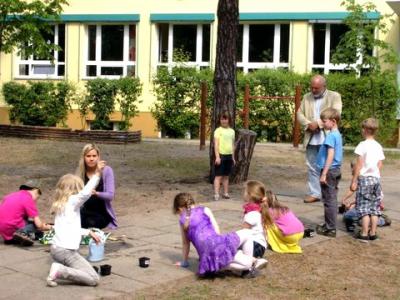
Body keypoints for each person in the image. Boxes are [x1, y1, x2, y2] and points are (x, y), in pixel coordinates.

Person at [173, 193, 268, 278]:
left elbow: (185, 243)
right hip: (216, 243)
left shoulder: (182, 221)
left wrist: (185, 262)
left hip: (206, 257)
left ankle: (247, 262)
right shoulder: (205, 209)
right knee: (248, 233)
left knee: (243, 262)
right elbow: (216, 229)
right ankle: (252, 261)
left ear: (180, 208)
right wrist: (223, 245)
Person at [46, 162, 105, 287]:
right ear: (75, 190)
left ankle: (60, 269)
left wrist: (88, 232)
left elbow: (70, 228)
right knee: (94, 279)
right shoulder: (72, 202)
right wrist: (97, 174)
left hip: (56, 249)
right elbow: (85, 193)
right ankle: (60, 271)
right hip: (66, 252)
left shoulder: (61, 204)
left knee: (85, 271)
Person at [297, 75, 342, 203]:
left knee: (328, 166)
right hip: (311, 137)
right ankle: (315, 193)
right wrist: (308, 124)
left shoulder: (334, 96)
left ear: (324, 86)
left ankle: (329, 192)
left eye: (316, 88)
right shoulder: (306, 97)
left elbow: (336, 113)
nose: (313, 90)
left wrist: (318, 123)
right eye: (312, 87)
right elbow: (299, 114)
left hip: (328, 137)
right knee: (312, 166)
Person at [350, 118, 385, 242]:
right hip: (376, 180)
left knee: (364, 209)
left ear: (365, 130)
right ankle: (373, 233)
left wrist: (354, 180)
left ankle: (364, 233)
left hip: (364, 179)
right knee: (374, 208)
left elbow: (359, 164)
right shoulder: (378, 146)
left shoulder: (362, 145)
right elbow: (380, 164)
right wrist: (375, 173)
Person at [315, 108, 343, 237]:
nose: (322, 123)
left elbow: (330, 155)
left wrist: (324, 173)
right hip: (335, 170)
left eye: (324, 121)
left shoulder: (331, 136)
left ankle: (330, 228)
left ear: (333, 121)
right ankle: (329, 225)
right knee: (331, 198)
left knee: (329, 200)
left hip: (330, 171)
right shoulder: (337, 134)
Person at [341, 161, 390, 232]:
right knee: (355, 217)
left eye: (353, 167)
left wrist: (353, 204)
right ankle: (376, 221)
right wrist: (345, 199)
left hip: (367, 207)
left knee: (349, 216)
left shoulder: (364, 179)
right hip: (370, 206)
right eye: (351, 167)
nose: (352, 170)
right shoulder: (370, 177)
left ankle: (382, 220)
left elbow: (364, 198)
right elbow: (353, 189)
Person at [0, 179, 52, 246]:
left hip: (3, 230)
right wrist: (48, 227)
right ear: (35, 190)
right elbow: (39, 225)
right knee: (34, 225)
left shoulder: (10, 196)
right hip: (13, 226)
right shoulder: (28, 198)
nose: (36, 200)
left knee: (27, 221)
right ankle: (22, 233)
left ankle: (13, 238)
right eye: (37, 197)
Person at [77, 144, 117, 229]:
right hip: (84, 210)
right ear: (83, 157)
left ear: (98, 157)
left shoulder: (107, 170)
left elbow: (110, 195)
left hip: (100, 212)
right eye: (88, 156)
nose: (91, 159)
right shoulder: (80, 172)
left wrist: (96, 193)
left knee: (90, 222)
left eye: (94, 156)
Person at [242, 180, 268, 258]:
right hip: (260, 245)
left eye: (244, 191)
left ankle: (254, 261)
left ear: (250, 195)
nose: (243, 193)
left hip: (254, 245)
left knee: (233, 253)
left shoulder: (252, 213)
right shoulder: (259, 208)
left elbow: (244, 232)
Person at [213, 112, 235, 201]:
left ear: (229, 120)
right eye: (222, 119)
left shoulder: (232, 131)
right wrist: (217, 157)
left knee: (226, 176)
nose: (224, 121)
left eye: (225, 119)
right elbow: (216, 145)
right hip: (221, 156)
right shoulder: (218, 131)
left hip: (229, 156)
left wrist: (233, 157)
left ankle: (226, 193)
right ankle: (216, 194)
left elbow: (233, 145)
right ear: (220, 120)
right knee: (218, 176)